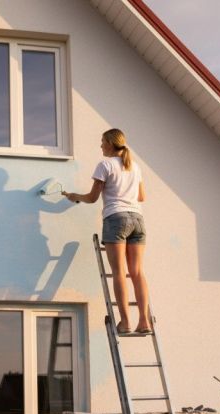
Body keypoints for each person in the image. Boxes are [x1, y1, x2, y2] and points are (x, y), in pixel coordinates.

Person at [64, 128, 152, 335]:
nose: (101, 145)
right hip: (138, 220)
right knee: (137, 273)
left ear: (111, 144)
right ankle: (144, 321)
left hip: (116, 218)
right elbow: (141, 197)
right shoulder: (135, 167)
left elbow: (93, 197)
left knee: (119, 272)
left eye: (103, 141)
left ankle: (125, 322)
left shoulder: (105, 165)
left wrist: (74, 196)